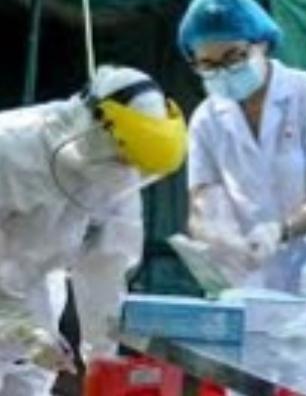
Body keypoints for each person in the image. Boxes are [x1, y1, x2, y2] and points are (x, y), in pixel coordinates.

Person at [177, 0, 306, 323]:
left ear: (262, 44)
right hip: (254, 288)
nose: (223, 72)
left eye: (234, 57)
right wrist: (217, 237)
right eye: (208, 64)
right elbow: (202, 205)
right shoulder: (206, 120)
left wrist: (281, 230)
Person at [0, 65, 187, 395]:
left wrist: (102, 359)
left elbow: (106, 268)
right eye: (124, 158)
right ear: (98, 125)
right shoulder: (11, 149)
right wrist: (14, 323)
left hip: (40, 304)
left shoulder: (117, 176)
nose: (127, 171)